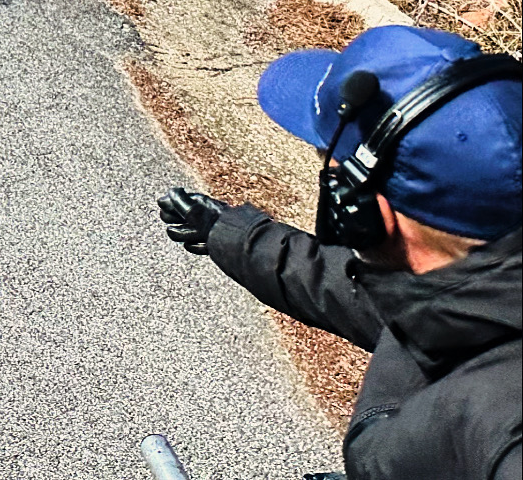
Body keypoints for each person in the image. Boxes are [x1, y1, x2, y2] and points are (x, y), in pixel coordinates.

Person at [158, 25, 522, 480]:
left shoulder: (505, 435)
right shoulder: (470, 291)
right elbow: (367, 296)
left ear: (366, 213)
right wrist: (235, 237)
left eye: (329, 170)